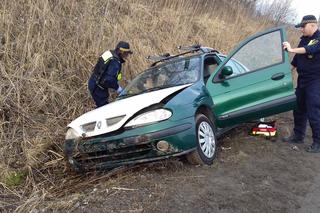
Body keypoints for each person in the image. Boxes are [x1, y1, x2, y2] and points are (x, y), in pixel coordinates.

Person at [282, 15, 320, 153]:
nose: (301, 30)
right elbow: (297, 59)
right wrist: (285, 75)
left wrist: (291, 49)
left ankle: (318, 143)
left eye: (303, 27)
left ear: (312, 25)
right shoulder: (304, 39)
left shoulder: (318, 38)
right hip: (302, 80)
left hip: (316, 81)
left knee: (314, 111)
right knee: (298, 108)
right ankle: (298, 136)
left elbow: (310, 50)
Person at [88, 41, 133, 107]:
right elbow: (108, 79)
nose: (127, 55)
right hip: (98, 87)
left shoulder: (109, 53)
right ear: (121, 51)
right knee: (103, 108)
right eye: (126, 53)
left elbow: (104, 71)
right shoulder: (115, 61)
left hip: (94, 82)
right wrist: (118, 88)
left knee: (101, 106)